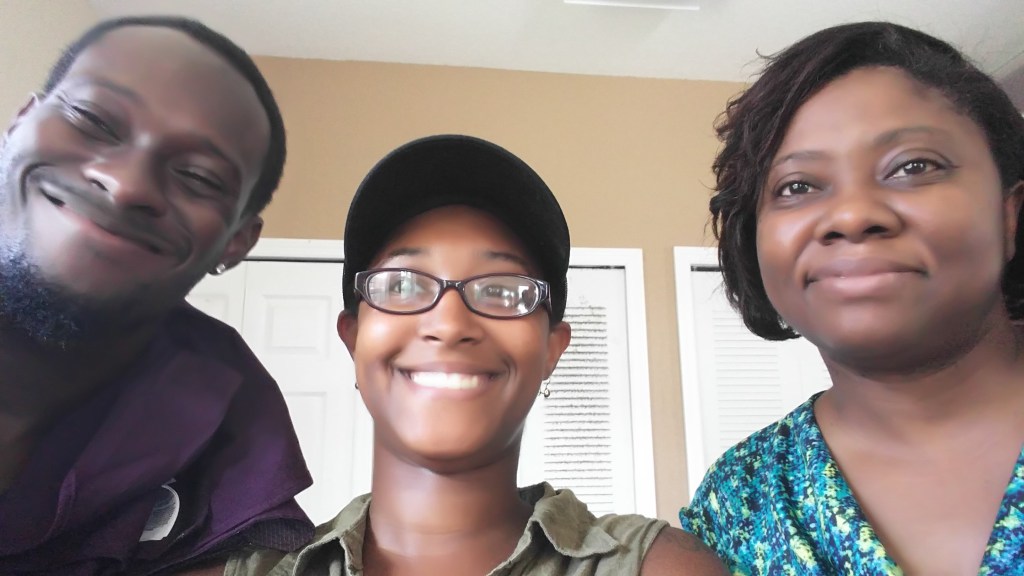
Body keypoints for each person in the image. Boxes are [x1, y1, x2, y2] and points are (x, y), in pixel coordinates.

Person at [224, 134, 728, 576]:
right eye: (402, 284)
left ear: (552, 349)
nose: (449, 324)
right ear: (353, 338)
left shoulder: (660, 566)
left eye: (503, 290)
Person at [679, 21, 1024, 575]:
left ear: (1009, 214)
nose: (852, 215)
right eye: (797, 186)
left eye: (913, 167)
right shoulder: (737, 502)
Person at [0, 16, 314, 575]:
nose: (127, 184)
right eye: (92, 119)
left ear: (237, 243)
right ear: (20, 122)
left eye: (200, 176)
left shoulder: (231, 416)